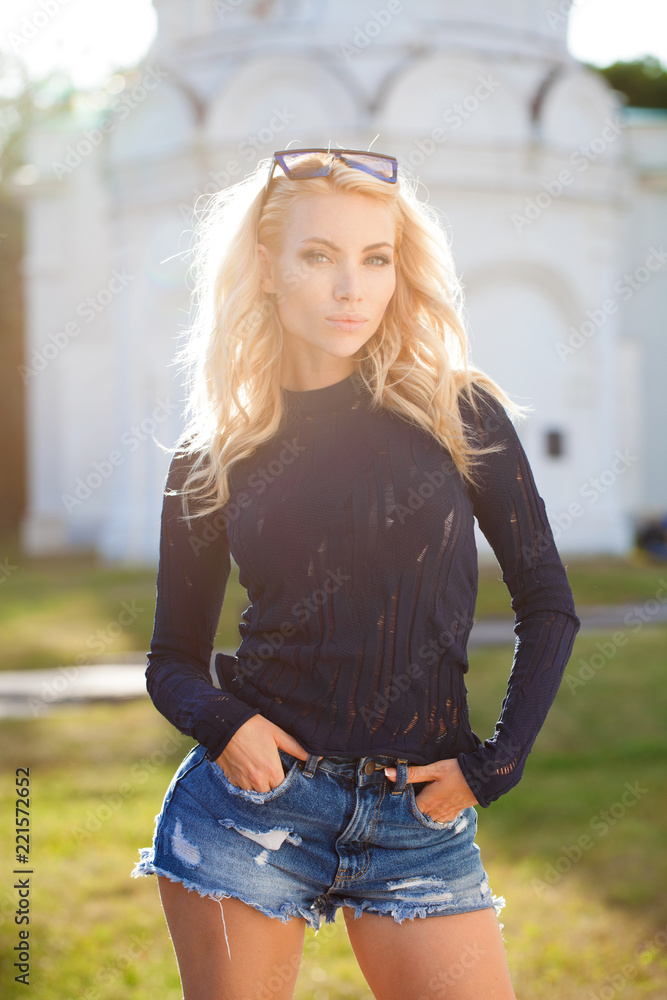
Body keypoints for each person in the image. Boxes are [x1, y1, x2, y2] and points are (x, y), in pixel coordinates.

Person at [131, 145, 581, 999]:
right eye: (318, 256)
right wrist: (227, 725)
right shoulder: (214, 453)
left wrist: (496, 763)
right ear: (266, 269)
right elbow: (171, 661)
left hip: (419, 818)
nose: (351, 288)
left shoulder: (456, 411)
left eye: (375, 259)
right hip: (250, 811)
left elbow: (547, 601)